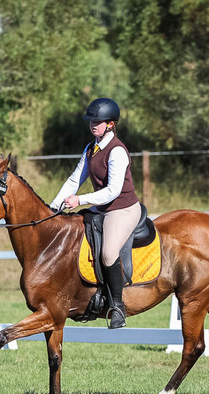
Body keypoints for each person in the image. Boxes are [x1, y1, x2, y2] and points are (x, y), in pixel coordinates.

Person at [49, 98, 141, 329]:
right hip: (100, 208)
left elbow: (113, 191)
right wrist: (53, 206)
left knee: (109, 253)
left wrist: (80, 200)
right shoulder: (91, 148)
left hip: (122, 209)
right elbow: (74, 179)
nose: (93, 125)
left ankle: (117, 306)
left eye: (98, 121)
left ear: (111, 124)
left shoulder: (117, 151)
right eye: (91, 120)